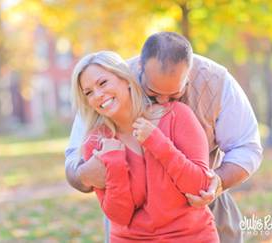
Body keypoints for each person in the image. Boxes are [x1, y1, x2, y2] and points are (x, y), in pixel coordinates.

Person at [65, 32, 262, 242]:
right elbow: (75, 162)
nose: (162, 100)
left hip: (199, 208)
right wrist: (86, 173)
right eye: (152, 91)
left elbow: (247, 147)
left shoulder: (213, 82)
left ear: (189, 74)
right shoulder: (110, 83)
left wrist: (218, 182)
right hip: (131, 232)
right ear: (137, 70)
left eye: (173, 93)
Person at [71, 50, 218, 241]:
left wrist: (157, 142)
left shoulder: (177, 116)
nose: (98, 95)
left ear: (125, 79)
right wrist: (114, 163)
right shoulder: (96, 143)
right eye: (89, 92)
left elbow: (198, 186)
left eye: (103, 83)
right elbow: (119, 216)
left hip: (191, 235)